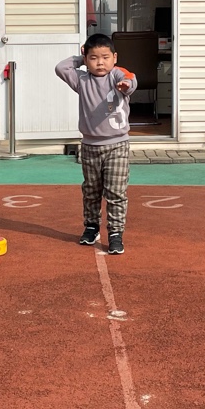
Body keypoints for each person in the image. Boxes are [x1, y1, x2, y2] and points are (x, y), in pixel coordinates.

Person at [56, 33, 135, 254]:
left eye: (105, 57)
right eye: (93, 58)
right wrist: (81, 58)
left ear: (114, 58)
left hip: (117, 146)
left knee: (116, 192)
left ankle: (116, 233)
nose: (100, 62)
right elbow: (61, 68)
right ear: (86, 59)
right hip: (90, 146)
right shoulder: (82, 81)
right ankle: (91, 227)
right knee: (91, 190)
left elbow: (131, 80)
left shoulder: (117, 75)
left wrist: (126, 85)